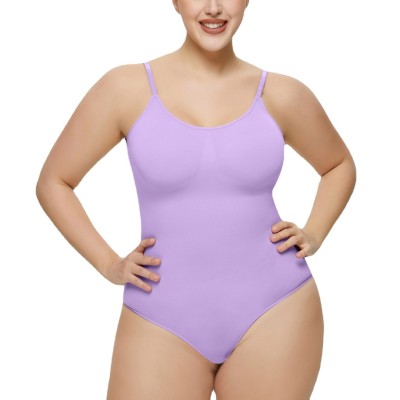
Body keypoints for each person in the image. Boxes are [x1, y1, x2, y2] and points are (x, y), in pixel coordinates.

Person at [36, 0, 356, 399]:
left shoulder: (282, 94)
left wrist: (315, 232)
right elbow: (55, 182)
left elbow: (338, 164)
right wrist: (109, 264)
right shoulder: (126, 88)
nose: (214, 7)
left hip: (276, 310)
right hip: (159, 315)